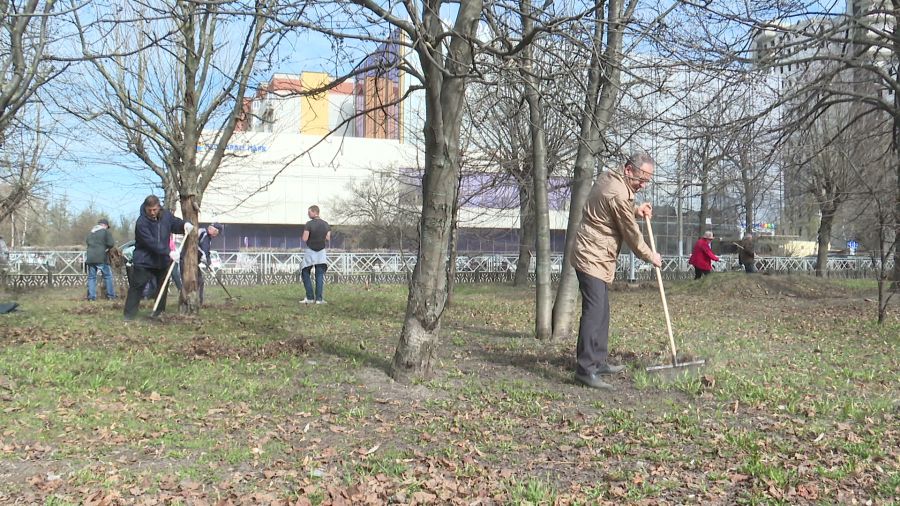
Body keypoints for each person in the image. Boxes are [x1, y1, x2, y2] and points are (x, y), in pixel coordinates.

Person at [571, 151, 662, 390]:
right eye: (641, 178)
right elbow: (630, 233)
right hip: (591, 255)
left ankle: (598, 360)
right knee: (594, 310)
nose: (643, 184)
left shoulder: (611, 178)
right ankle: (585, 369)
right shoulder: (619, 192)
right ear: (629, 169)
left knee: (602, 311)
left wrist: (637, 209)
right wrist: (649, 255)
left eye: (647, 180)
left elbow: (614, 209)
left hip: (597, 255)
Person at [124, 195, 193, 321]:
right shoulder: (141, 222)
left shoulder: (166, 216)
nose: (152, 212)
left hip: (161, 261)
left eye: (154, 209)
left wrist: (184, 225)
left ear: (159, 207)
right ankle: (129, 315)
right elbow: (151, 243)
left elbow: (174, 223)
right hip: (144, 260)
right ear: (145, 208)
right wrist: (169, 252)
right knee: (137, 287)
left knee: (162, 286)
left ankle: (159, 313)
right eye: (149, 210)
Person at [300, 205, 331, 304]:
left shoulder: (309, 224)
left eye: (309, 212)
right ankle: (319, 299)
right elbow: (328, 238)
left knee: (305, 271)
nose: (308, 214)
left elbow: (305, 238)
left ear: (314, 212)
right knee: (319, 275)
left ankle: (309, 297)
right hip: (321, 252)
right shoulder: (326, 224)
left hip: (310, 250)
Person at [186, 222, 222, 303]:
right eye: (216, 232)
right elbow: (194, 244)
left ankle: (199, 302)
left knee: (200, 281)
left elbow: (207, 252)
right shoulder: (202, 232)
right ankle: (191, 301)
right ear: (213, 229)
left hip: (194, 262)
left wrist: (210, 265)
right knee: (195, 282)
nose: (216, 235)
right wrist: (202, 254)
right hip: (188, 261)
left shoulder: (208, 238)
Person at [85, 218, 116, 301]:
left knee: (92, 277)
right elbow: (111, 243)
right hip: (101, 257)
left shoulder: (91, 232)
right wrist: (106, 248)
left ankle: (91, 297)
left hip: (90, 258)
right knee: (108, 276)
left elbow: (87, 242)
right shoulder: (105, 232)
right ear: (105, 225)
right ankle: (111, 296)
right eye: (107, 227)